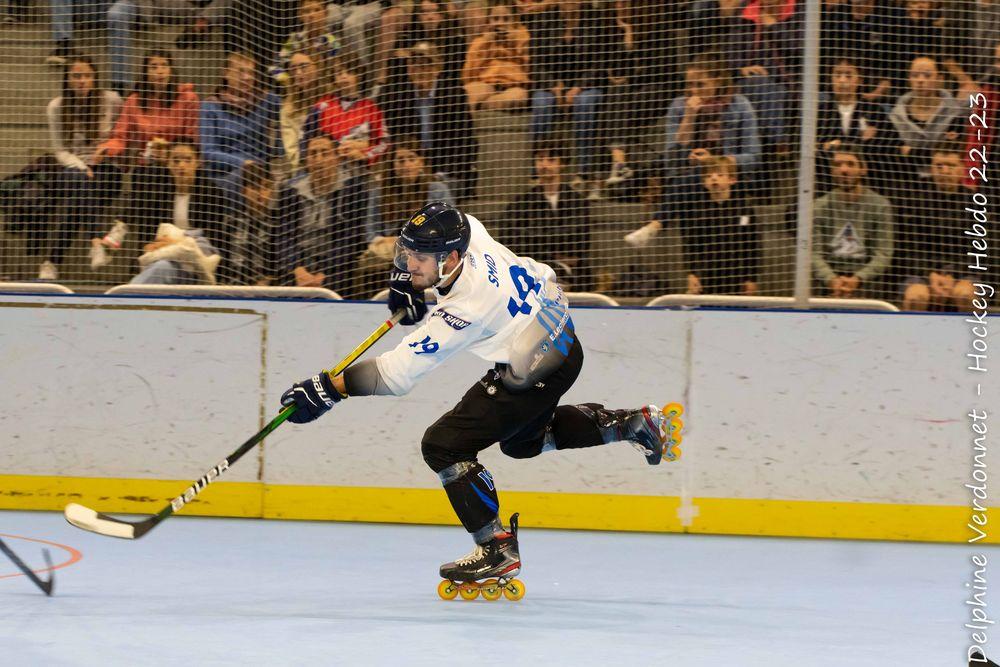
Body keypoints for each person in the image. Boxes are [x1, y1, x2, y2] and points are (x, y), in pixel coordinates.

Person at [277, 201, 683, 591]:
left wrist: (329, 389)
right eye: (408, 254)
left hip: (537, 365)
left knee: (444, 445)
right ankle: (631, 423)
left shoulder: (466, 308)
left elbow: (396, 374)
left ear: (451, 258)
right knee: (522, 443)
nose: (410, 262)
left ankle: (496, 548)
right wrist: (405, 281)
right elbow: (448, 219)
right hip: (558, 341)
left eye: (419, 258)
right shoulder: (468, 232)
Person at [91, 50, 200, 266]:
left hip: (179, 167)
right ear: (145, 71)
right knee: (146, 179)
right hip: (147, 168)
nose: (159, 71)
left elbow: (192, 137)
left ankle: (119, 233)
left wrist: (170, 154)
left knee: (151, 182)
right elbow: (121, 135)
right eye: (153, 66)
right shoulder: (134, 101)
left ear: (171, 70)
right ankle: (142, 258)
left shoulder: (188, 99)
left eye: (164, 65)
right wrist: (107, 148)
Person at [33, 55, 124, 281]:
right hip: (72, 167)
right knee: (79, 182)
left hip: (105, 168)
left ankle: (51, 263)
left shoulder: (112, 100)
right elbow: (60, 150)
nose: (82, 80)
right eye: (76, 76)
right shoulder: (56, 106)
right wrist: (83, 168)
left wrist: (107, 150)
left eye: (87, 75)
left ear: (95, 78)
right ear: (67, 79)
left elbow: (121, 136)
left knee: (78, 202)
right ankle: (97, 241)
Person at [272, 134, 375, 297]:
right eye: (313, 154)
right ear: (306, 159)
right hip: (298, 265)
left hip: (336, 265)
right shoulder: (290, 190)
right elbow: (283, 235)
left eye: (324, 153)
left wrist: (324, 273)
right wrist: (298, 269)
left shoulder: (353, 189)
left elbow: (352, 237)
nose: (318, 159)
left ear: (336, 158)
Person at [127, 138, 227, 285]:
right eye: (176, 160)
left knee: (162, 268)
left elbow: (213, 238)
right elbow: (149, 235)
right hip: (163, 254)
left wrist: (178, 242)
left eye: (187, 160)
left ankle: (128, 294)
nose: (181, 165)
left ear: (198, 162)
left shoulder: (212, 193)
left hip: (197, 260)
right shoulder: (157, 193)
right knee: (163, 266)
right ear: (167, 163)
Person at [502, 141, 592, 291]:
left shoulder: (578, 202)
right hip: (534, 271)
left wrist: (539, 238)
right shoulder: (521, 203)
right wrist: (555, 253)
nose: (544, 165)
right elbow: (514, 239)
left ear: (562, 164)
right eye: (540, 159)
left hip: (575, 274)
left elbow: (581, 240)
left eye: (551, 159)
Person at [895, 145, 974, 311]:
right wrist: (929, 274)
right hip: (921, 271)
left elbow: (983, 249)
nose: (944, 171)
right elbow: (907, 246)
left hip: (966, 273)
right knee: (916, 296)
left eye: (951, 166)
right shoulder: (914, 200)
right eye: (939, 165)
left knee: (965, 295)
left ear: (962, 170)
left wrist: (954, 276)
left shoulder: (976, 202)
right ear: (931, 169)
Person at [811, 145, 893, 299]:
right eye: (837, 164)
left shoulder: (880, 205)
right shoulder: (819, 206)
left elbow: (883, 253)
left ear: (863, 169)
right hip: (827, 284)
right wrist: (831, 280)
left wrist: (858, 279)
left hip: (868, 284)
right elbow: (813, 253)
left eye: (850, 164)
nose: (844, 170)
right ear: (831, 171)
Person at [680, 156, 760, 296]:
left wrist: (751, 279)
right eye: (708, 176)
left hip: (736, 278)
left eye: (720, 174)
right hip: (706, 277)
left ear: (732, 179)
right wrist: (691, 274)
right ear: (704, 182)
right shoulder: (696, 210)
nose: (714, 178)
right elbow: (690, 245)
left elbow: (753, 245)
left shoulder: (744, 208)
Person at [462, 0, 531, 111]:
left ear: (514, 21)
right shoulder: (479, 41)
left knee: (516, 98)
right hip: (485, 83)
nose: (500, 23)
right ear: (488, 20)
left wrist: (517, 43)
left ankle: (484, 105)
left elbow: (529, 69)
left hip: (514, 86)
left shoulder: (525, 38)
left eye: (506, 19)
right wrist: (484, 44)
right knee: (469, 93)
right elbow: (468, 76)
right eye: (495, 19)